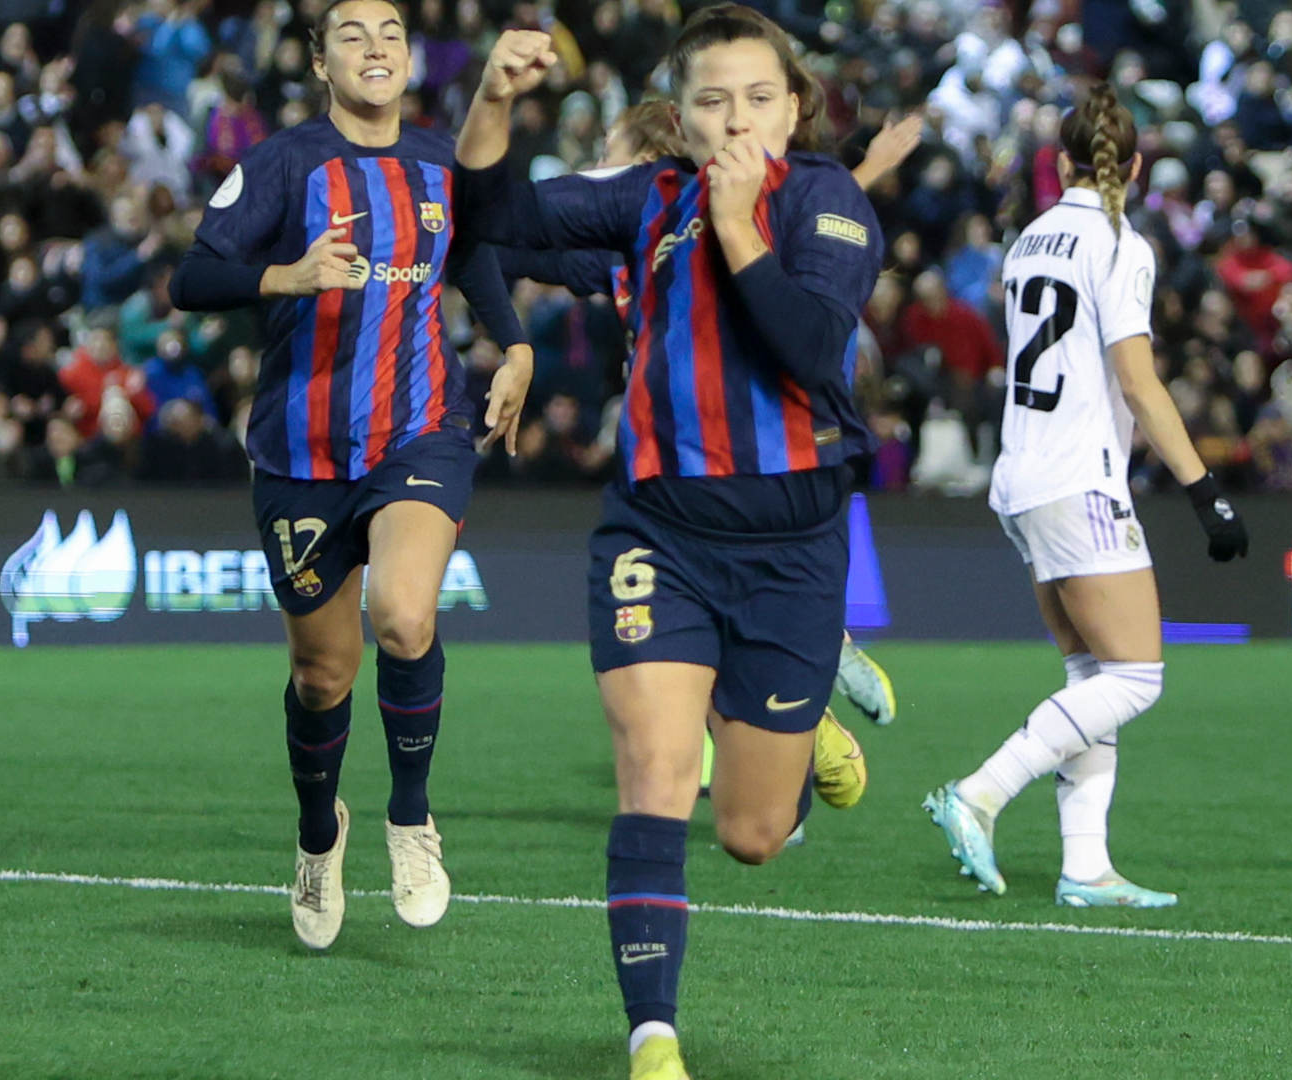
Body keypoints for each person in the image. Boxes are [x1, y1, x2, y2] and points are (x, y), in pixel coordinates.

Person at [454, 11, 883, 1078]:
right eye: (710, 101)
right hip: (660, 530)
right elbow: (491, 214)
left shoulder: (827, 202)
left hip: (793, 544)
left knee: (749, 832)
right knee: (651, 770)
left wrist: (739, 226)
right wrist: (496, 102)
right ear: (680, 119)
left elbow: (814, 349)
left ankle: (784, 707)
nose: (734, 118)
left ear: (792, 107)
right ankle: (653, 1038)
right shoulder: (645, 201)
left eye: (755, 98)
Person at [168, 0, 534, 951]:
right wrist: (281, 277)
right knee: (323, 676)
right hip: (299, 455)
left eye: (391, 34)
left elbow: (476, 262)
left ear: (410, 59)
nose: (375, 48)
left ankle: (410, 818)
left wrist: (518, 346)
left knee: (405, 616)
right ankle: (317, 835)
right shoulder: (285, 165)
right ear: (321, 64)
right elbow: (192, 278)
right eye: (351, 36)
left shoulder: (440, 164)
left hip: (420, 434)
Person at [496, 98, 912, 802]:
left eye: (612, 151)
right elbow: (530, 243)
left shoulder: (723, 224)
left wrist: (865, 171)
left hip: (769, 455)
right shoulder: (628, 248)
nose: (599, 167)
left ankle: (803, 680)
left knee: (719, 632)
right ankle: (794, 703)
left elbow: (810, 213)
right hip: (681, 465)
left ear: (655, 160)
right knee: (683, 638)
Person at [923, 83, 1249, 909]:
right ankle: (980, 792)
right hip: (1077, 480)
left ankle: (1086, 866)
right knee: (1137, 677)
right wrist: (1203, 489)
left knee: (1089, 673)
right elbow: (1136, 381)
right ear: (1134, 167)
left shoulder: (1029, 241)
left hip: (1022, 478)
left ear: (1060, 163)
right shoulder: (1119, 244)